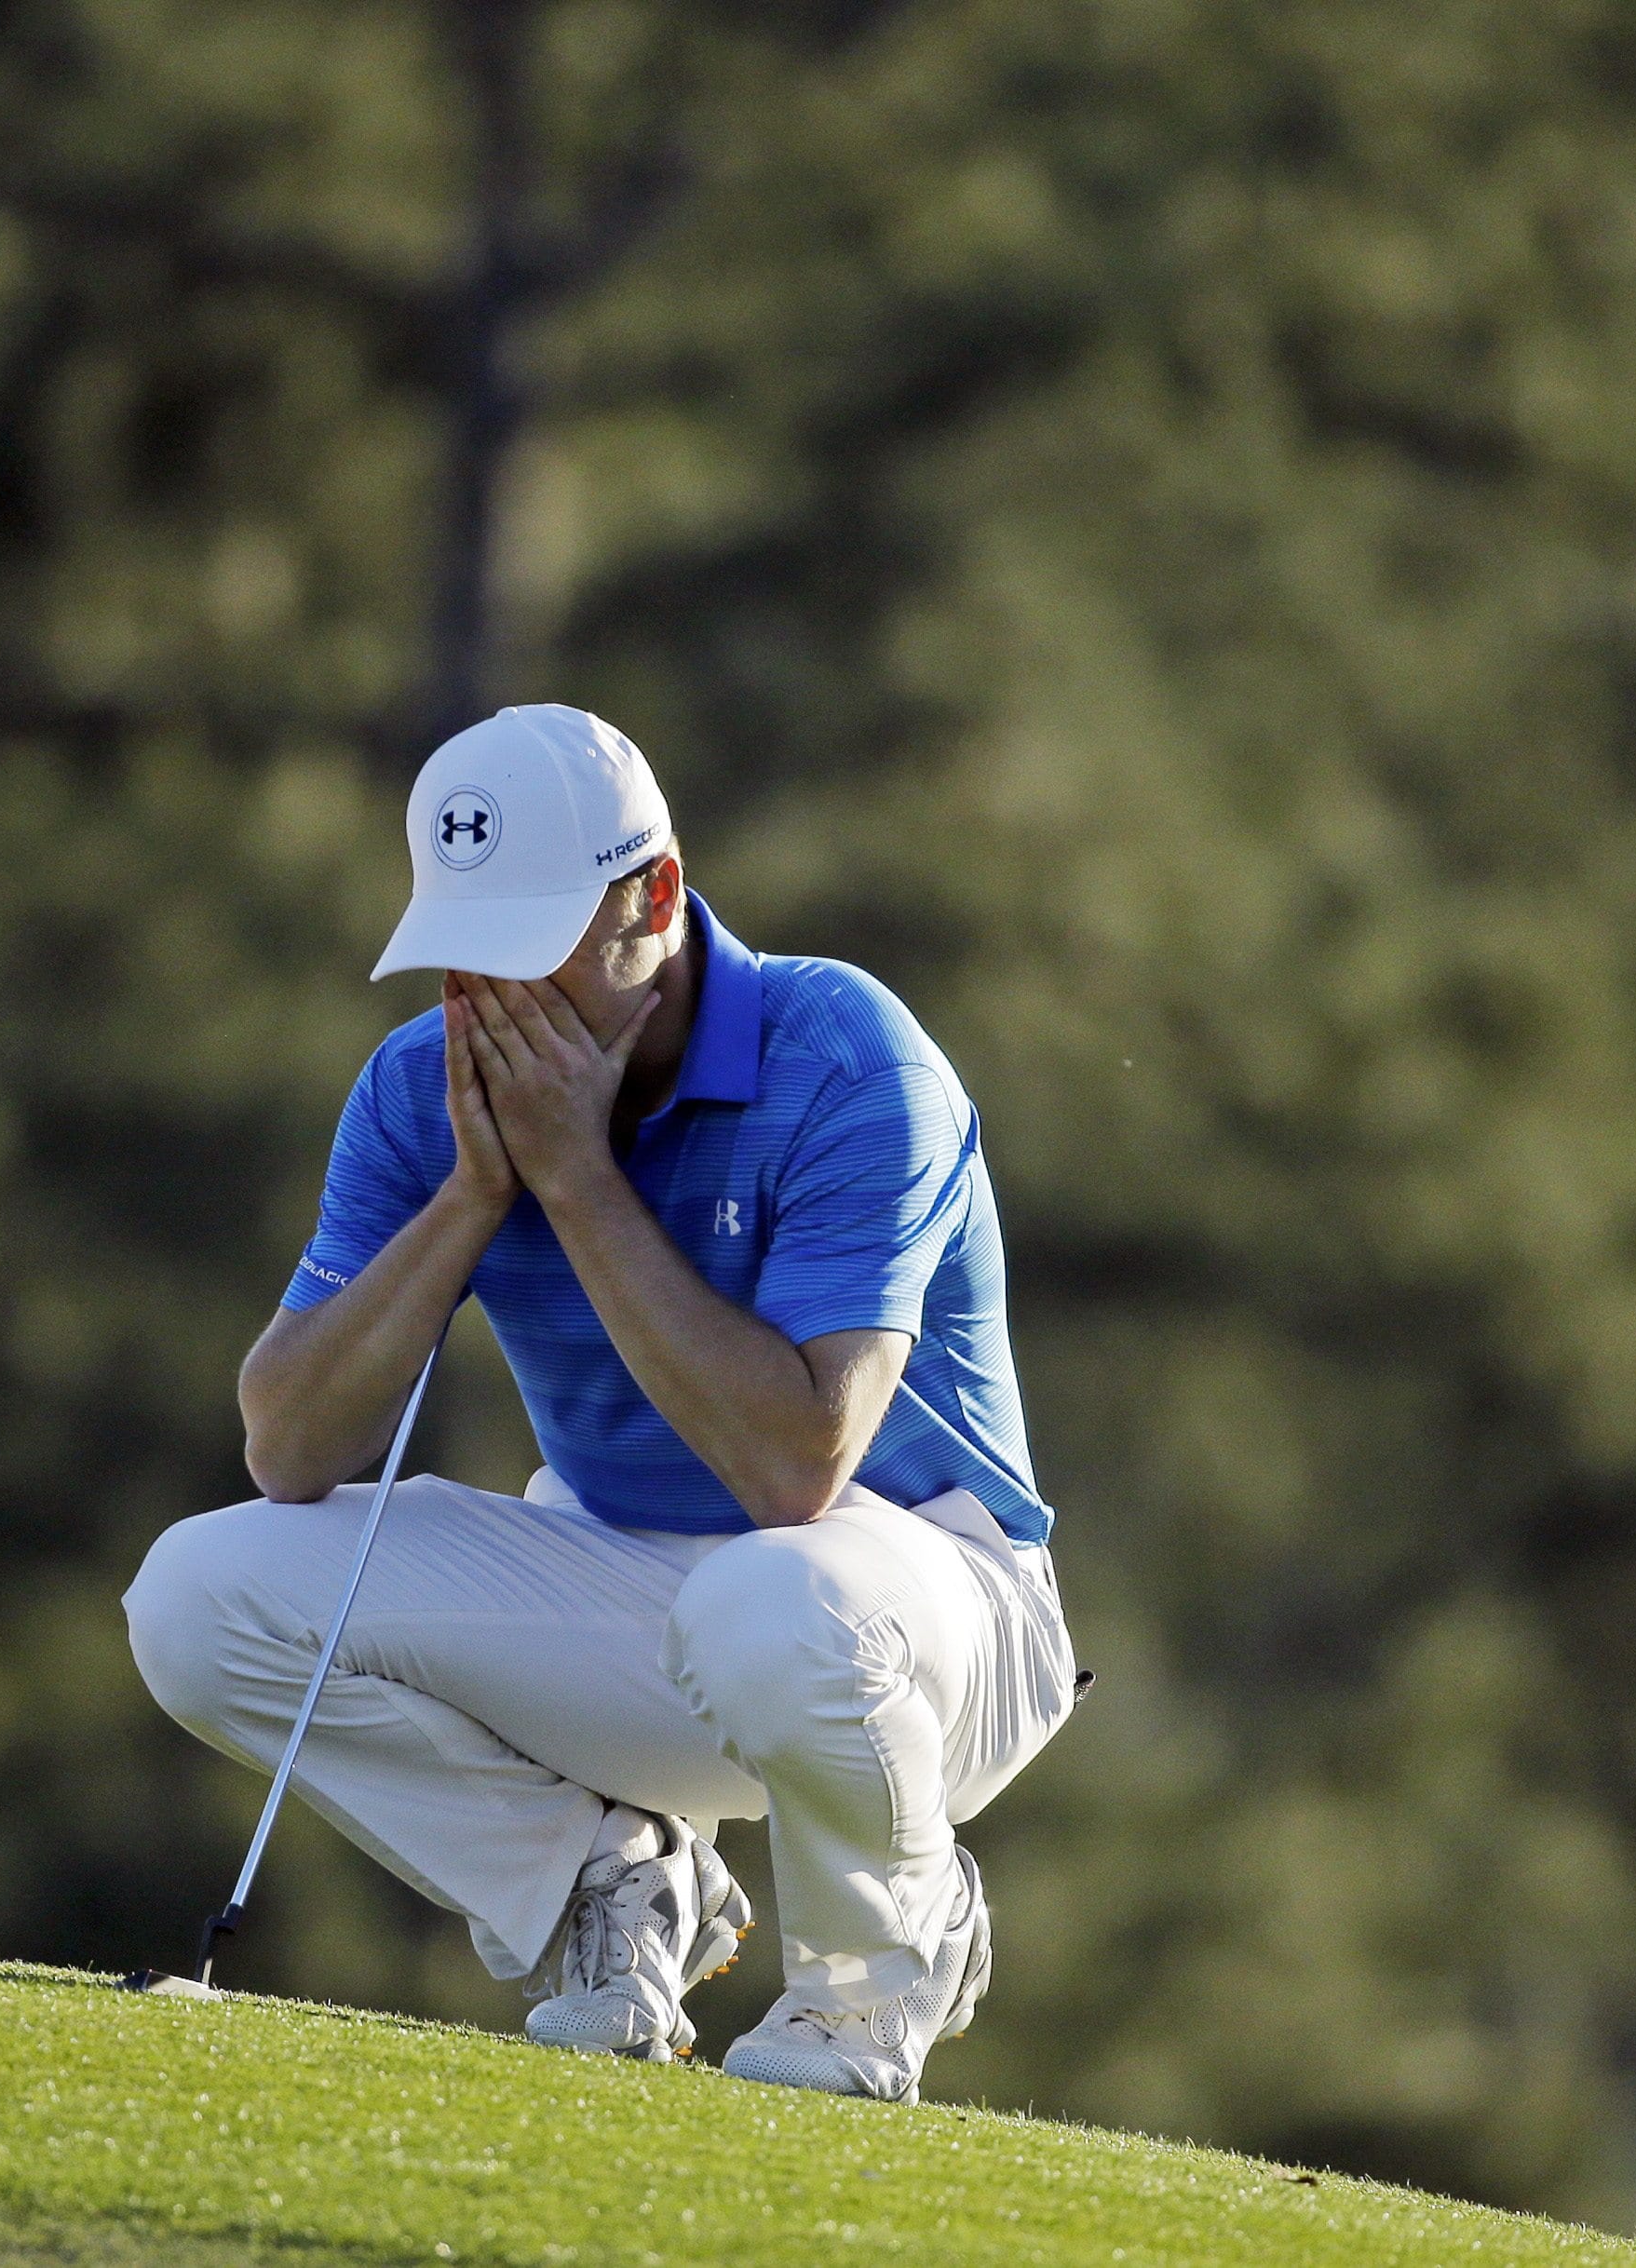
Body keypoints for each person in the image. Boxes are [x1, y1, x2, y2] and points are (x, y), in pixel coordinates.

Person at [123, 705, 1080, 2099]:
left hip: (930, 1621)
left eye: (537, 948)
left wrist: (576, 1180)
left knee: (775, 1598)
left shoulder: (853, 1057)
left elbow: (796, 1472)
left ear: (661, 897)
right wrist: (471, 1195)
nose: (490, 999)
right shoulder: (421, 1092)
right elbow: (288, 1444)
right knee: (198, 1597)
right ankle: (609, 1883)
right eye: (467, 952)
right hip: (642, 1596)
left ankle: (879, 1970)